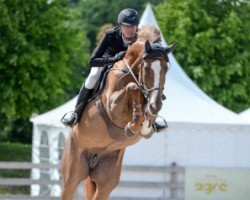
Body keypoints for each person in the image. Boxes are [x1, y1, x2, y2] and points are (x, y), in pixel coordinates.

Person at [61, 8, 168, 132]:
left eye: (133, 27)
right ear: (120, 26)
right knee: (92, 77)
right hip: (106, 62)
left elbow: (154, 47)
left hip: (129, 68)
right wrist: (115, 58)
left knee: (150, 77)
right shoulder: (110, 34)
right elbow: (93, 60)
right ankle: (76, 113)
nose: (130, 30)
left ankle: (152, 119)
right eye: (127, 26)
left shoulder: (139, 37)